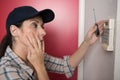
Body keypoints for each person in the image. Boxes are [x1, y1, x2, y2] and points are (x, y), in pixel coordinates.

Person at [0, 6, 104, 80]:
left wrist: (87, 42)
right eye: (34, 25)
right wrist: (39, 66)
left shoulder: (36, 56)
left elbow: (66, 66)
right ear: (14, 31)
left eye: (42, 26)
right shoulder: (6, 71)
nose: (43, 32)